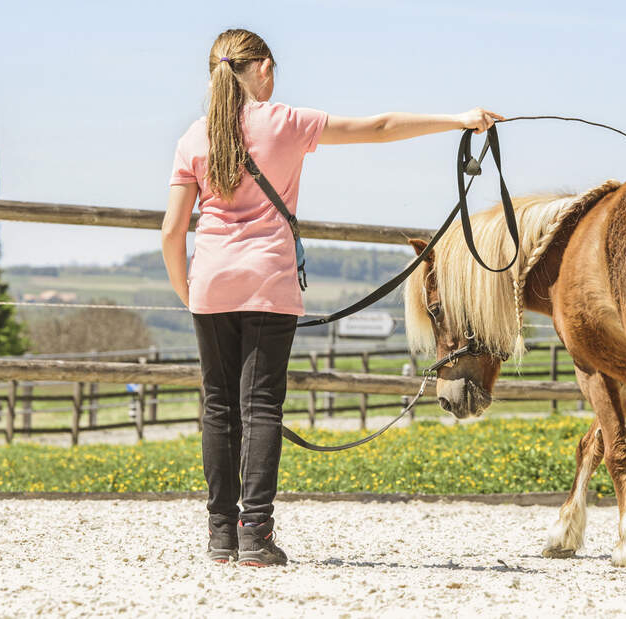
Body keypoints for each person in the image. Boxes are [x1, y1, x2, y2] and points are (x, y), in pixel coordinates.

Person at [161, 28, 502, 568]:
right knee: (262, 406)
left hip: (210, 286)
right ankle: (256, 534)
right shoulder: (286, 123)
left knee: (219, 408)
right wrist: (459, 120)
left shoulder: (193, 137)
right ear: (263, 69)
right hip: (268, 284)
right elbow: (380, 128)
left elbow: (171, 232)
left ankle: (222, 536)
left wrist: (191, 295)